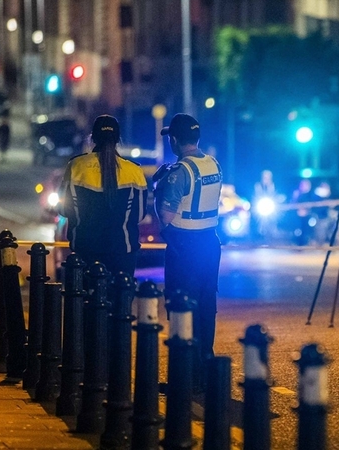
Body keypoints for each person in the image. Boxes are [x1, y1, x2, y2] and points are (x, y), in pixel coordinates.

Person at [153, 113, 223, 387]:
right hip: (209, 243)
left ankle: (185, 376)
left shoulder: (180, 171)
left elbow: (167, 216)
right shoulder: (213, 164)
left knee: (182, 308)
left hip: (184, 246)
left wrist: (158, 191)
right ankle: (204, 369)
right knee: (206, 307)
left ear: (174, 140)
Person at [58, 114, 147, 278]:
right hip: (123, 252)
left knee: (85, 301)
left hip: (84, 250)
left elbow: (63, 208)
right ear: (118, 138)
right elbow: (140, 214)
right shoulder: (134, 171)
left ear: (93, 137)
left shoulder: (76, 166)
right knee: (119, 301)